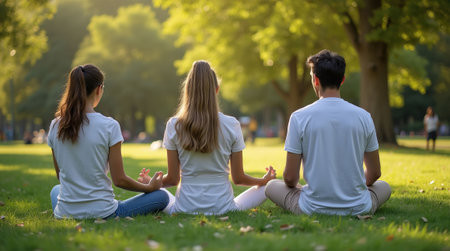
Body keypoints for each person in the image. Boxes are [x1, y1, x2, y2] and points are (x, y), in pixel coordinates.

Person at [138, 60, 276, 215]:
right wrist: (263, 181)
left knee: (158, 194)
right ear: (216, 90)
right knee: (268, 187)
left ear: (187, 90)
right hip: (224, 208)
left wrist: (151, 184)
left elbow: (172, 180)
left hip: (184, 209)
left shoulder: (174, 125)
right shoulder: (232, 124)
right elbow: (238, 178)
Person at [265, 50, 391, 216]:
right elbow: (374, 173)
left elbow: (289, 178)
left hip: (311, 207)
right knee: (383, 186)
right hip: (359, 206)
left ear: (316, 80)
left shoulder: (299, 117)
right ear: (343, 80)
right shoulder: (364, 117)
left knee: (271, 186)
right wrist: (351, 187)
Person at [48, 64, 168, 219]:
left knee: (56, 190)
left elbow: (61, 175)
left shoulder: (55, 125)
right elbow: (119, 180)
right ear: (99, 89)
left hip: (65, 212)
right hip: (104, 212)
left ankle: (69, 209)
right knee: (162, 196)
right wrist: (149, 187)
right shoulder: (109, 126)